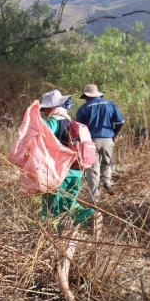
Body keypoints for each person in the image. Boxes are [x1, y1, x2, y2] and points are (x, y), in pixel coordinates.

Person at [38, 90, 95, 227]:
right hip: (75, 171)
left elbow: (42, 141)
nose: (45, 112)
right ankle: (88, 216)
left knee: (51, 205)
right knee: (69, 202)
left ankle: (51, 234)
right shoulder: (71, 121)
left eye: (45, 109)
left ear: (51, 107)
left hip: (58, 172)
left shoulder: (53, 121)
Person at [75, 84, 125, 198]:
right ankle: (107, 181)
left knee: (93, 168)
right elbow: (120, 122)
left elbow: (79, 128)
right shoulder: (110, 104)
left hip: (90, 142)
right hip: (108, 139)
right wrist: (115, 134)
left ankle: (94, 196)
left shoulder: (83, 108)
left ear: (86, 96)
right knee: (107, 162)